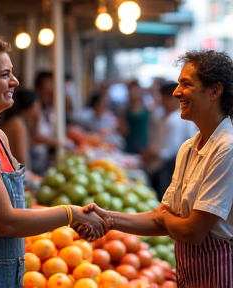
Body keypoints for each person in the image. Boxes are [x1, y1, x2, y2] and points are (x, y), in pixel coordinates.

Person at [0, 35, 107, 288]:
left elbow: (14, 208)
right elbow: (6, 222)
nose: (15, 81)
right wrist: (69, 214)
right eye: (4, 75)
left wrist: (80, 215)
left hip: (1, 274)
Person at [85, 50, 233, 288]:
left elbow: (193, 231)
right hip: (190, 274)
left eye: (186, 84)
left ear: (214, 91)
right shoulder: (188, 148)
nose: (176, 92)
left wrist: (166, 218)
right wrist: (108, 218)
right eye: (178, 85)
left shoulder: (227, 149)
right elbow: (159, 219)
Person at [142, 80, 197, 200]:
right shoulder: (164, 116)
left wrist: (153, 159)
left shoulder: (176, 119)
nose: (159, 100)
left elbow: (169, 150)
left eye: (161, 96)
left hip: (169, 167)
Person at [0, 88, 40, 170]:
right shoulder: (18, 124)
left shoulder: (14, 121)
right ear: (30, 106)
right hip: (14, 173)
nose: (38, 110)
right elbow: (22, 159)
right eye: (38, 106)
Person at [118, 80, 151, 154]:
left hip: (144, 144)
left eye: (136, 90)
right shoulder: (124, 109)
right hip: (129, 144)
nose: (134, 92)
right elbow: (124, 131)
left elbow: (152, 127)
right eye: (131, 90)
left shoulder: (148, 107)